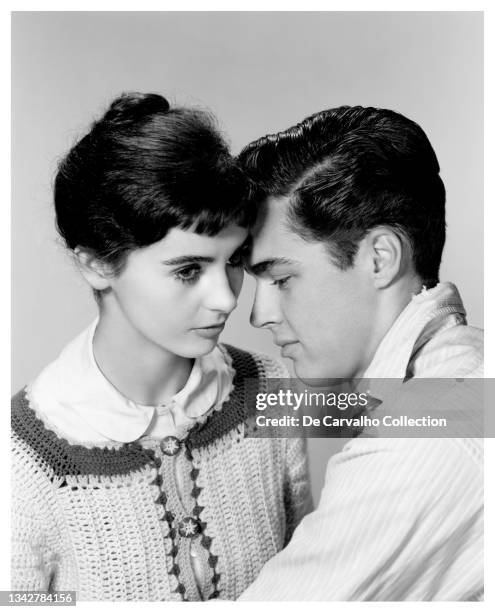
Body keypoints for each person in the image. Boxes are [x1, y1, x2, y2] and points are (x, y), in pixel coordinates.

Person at [11, 92, 312, 601]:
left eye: (234, 260)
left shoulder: (271, 390)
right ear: (97, 263)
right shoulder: (25, 458)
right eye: (188, 269)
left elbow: (310, 580)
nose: (225, 298)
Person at [237, 106, 483, 600]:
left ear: (379, 258)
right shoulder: (467, 368)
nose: (258, 315)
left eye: (282, 279)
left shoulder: (423, 442)